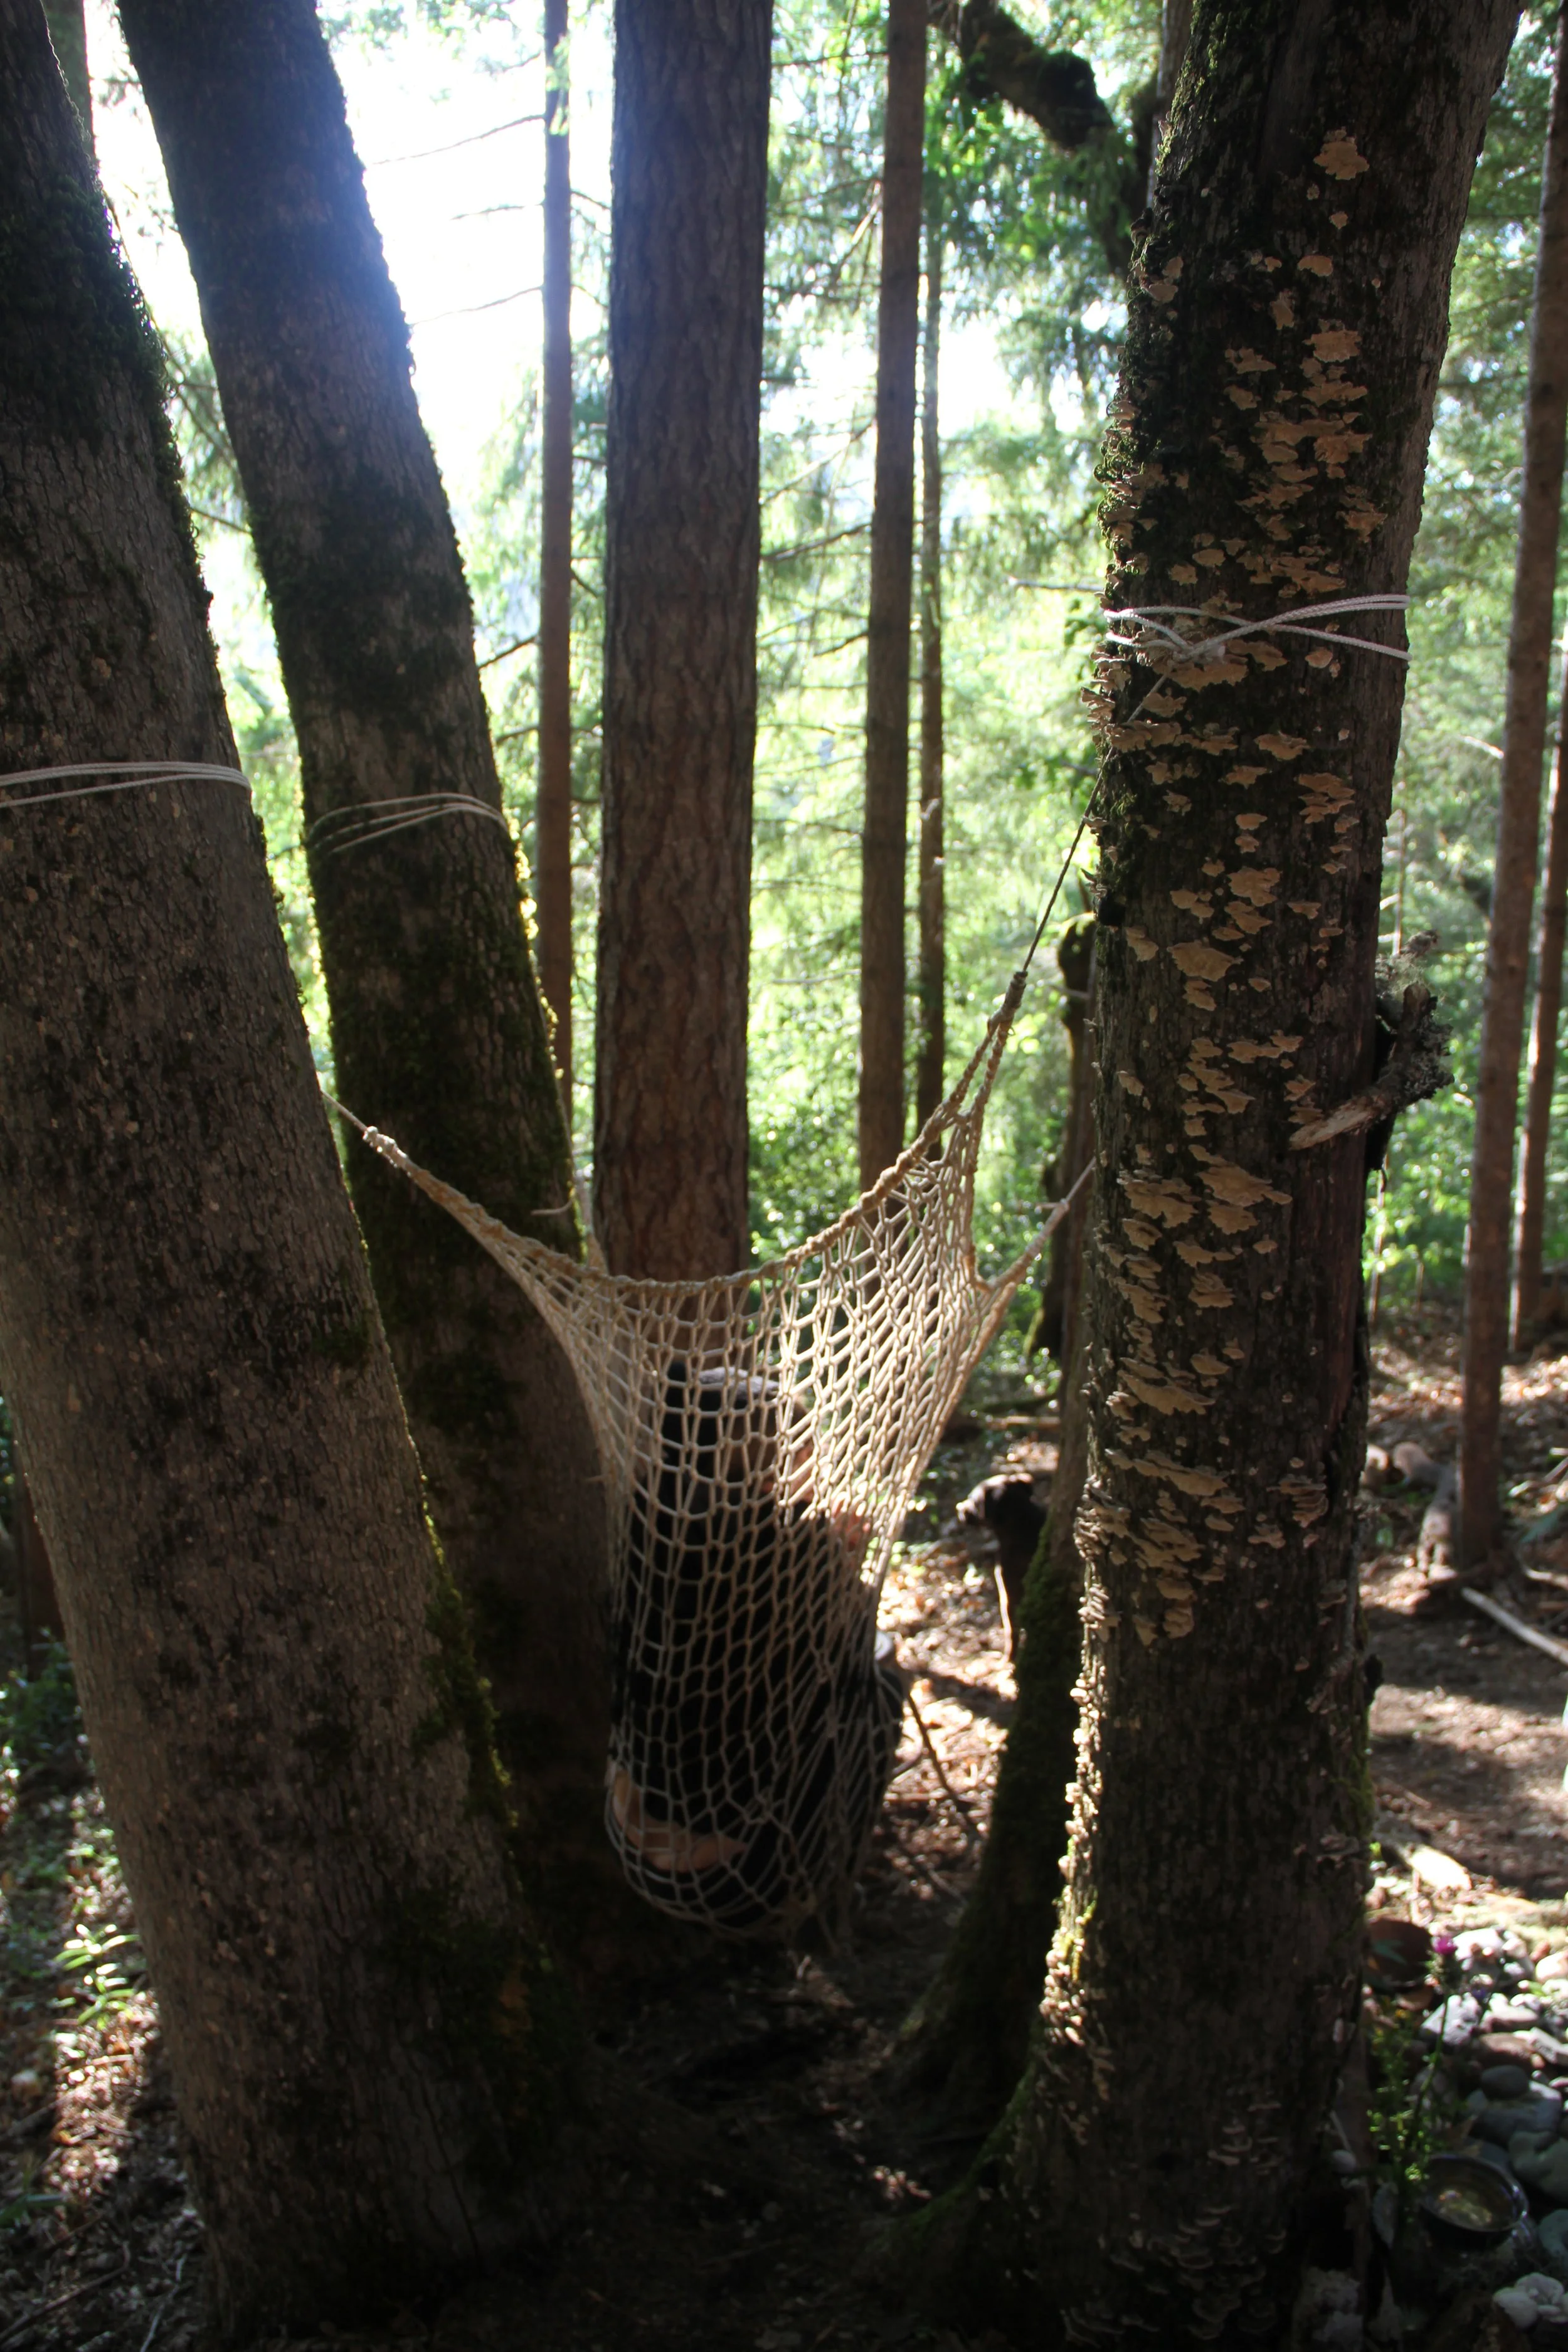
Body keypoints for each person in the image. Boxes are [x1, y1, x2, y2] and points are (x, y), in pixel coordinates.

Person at [607, 1361, 905, 1937]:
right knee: (885, 1687)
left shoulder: (644, 1522)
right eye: (795, 1447)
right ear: (768, 1456)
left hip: (634, 1829)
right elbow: (852, 1649)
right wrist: (847, 1559)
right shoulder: (795, 1547)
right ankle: (825, 1886)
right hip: (747, 1866)